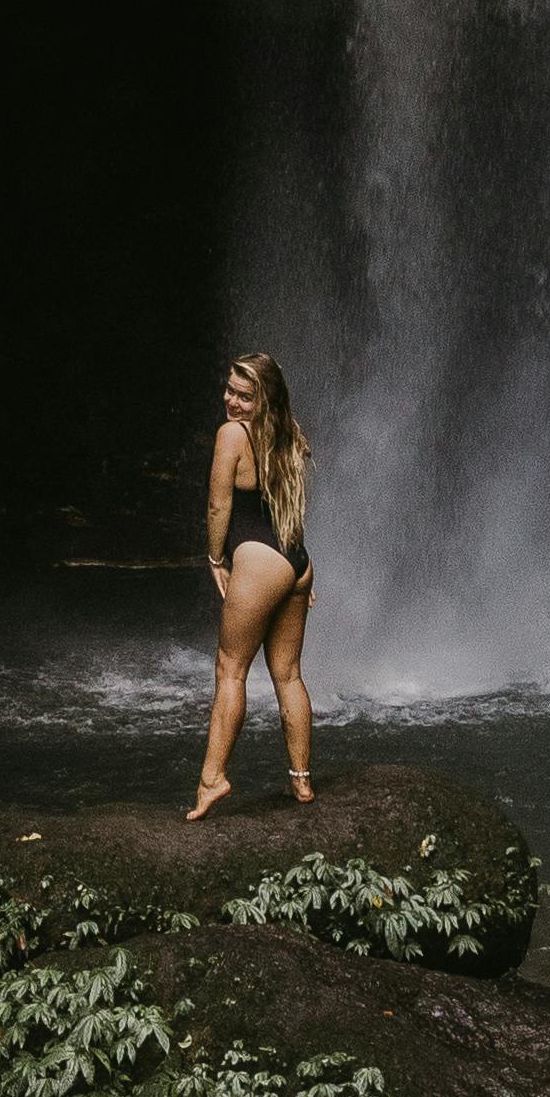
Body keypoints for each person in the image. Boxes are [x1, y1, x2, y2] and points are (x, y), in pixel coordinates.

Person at [189, 349, 315, 817]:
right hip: (295, 561)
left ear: (264, 400)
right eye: (230, 390)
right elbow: (290, 506)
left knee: (230, 670)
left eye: (245, 395)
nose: (233, 402)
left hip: (261, 561)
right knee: (288, 675)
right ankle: (301, 782)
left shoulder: (231, 436)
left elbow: (219, 506)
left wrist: (216, 558)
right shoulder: (291, 435)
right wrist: (295, 573)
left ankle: (212, 779)